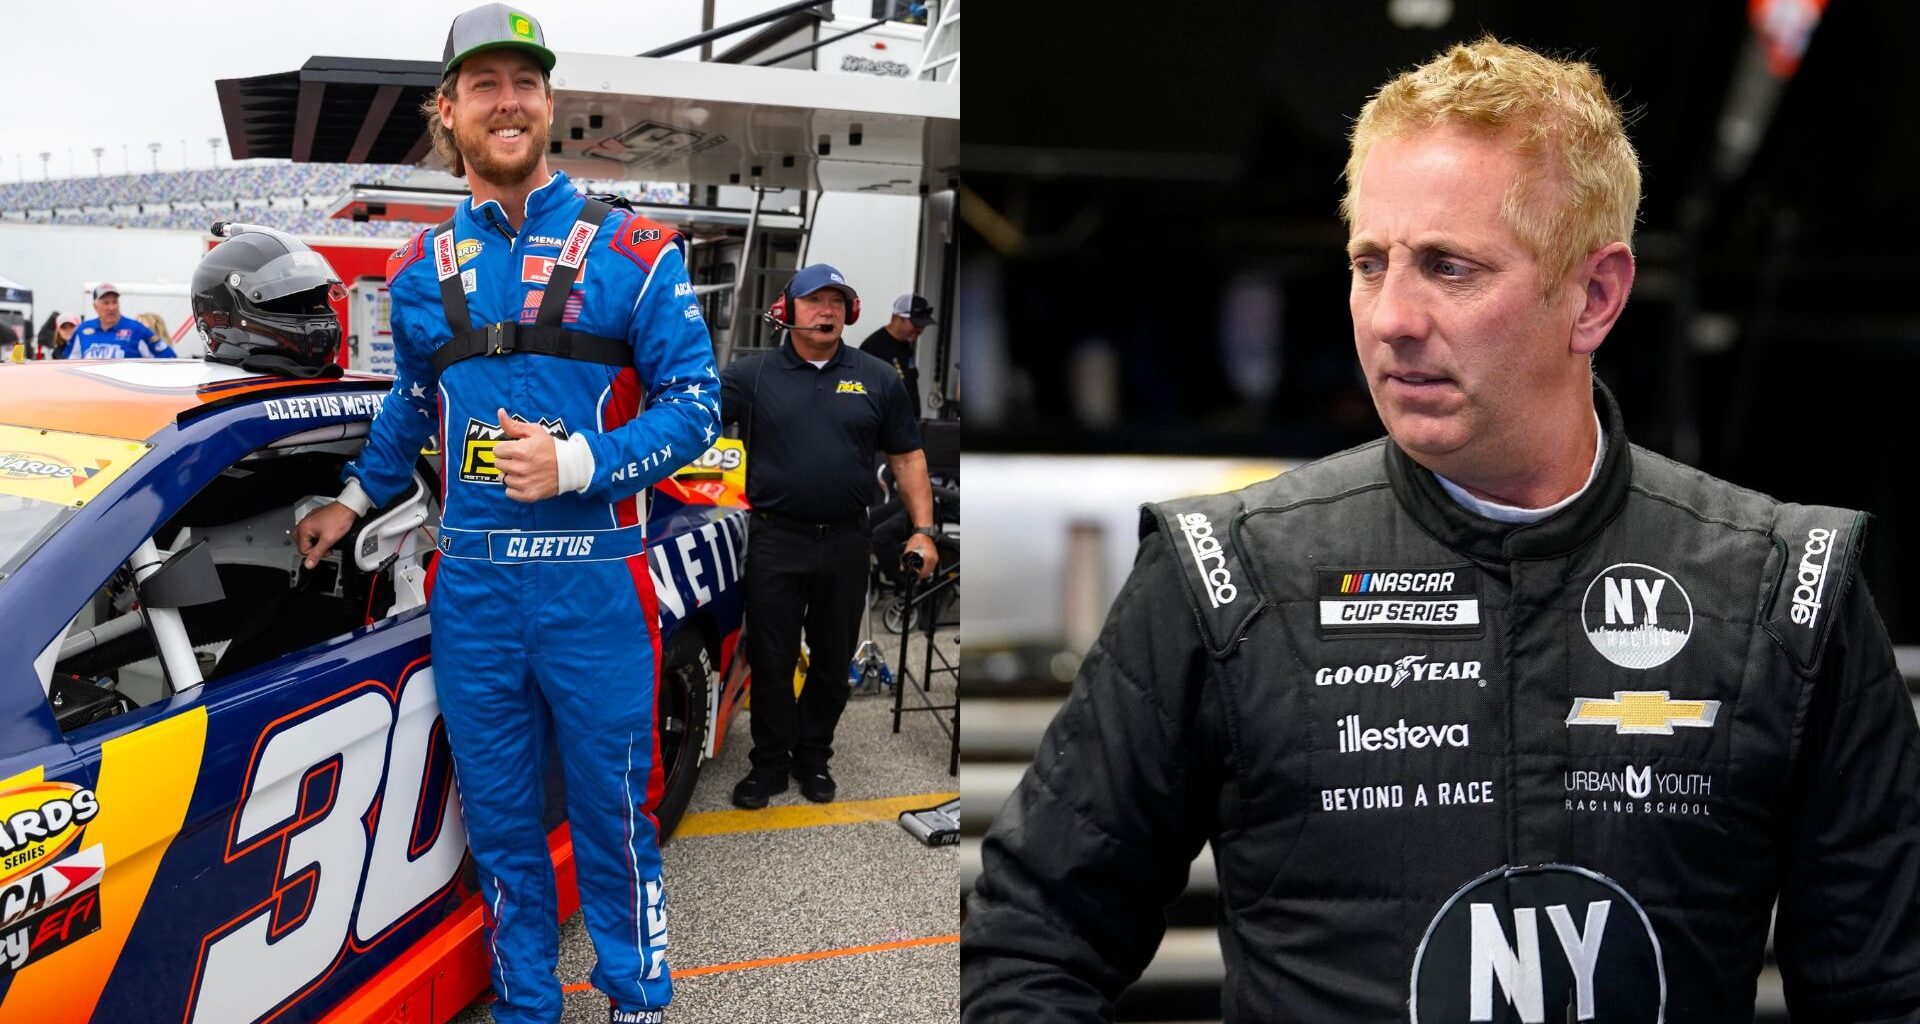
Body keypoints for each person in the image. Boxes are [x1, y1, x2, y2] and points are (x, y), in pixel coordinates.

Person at [962, 37, 1920, 1022]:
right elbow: (1028, 949)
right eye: (1369, 263)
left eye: (1449, 268)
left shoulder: (1787, 594)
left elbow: (1885, 994)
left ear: (1594, 295)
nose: (1392, 318)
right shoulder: (1228, 574)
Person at [291, 6, 717, 1023]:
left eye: (526, 82)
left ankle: (638, 998)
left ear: (550, 105)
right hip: (474, 588)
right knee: (501, 822)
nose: (509, 100)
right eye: (485, 84)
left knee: (618, 817)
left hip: (594, 581)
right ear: (450, 112)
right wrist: (352, 501)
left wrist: (584, 459)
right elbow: (410, 404)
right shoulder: (412, 272)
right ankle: (528, 1002)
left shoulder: (636, 249)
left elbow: (698, 405)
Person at [720, 264, 938, 810]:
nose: (828, 310)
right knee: (770, 658)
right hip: (776, 539)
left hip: (845, 543)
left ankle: (813, 756)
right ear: (787, 310)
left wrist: (924, 532)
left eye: (837, 302)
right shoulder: (751, 376)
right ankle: (769, 763)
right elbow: (685, 420)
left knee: (831, 658)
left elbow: (908, 457)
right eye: (815, 300)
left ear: (851, 312)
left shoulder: (877, 377)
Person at [858, 292, 935, 420]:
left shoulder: (906, 344)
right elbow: (864, 395)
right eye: (916, 324)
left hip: (908, 428)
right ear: (898, 318)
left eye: (923, 326)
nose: (920, 330)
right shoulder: (874, 346)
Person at [58, 283, 175, 358]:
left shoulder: (137, 329)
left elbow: (169, 358)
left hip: (126, 395)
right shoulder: (82, 331)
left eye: (114, 302)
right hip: (92, 394)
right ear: (95, 306)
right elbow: (69, 366)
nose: (111, 307)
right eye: (106, 303)